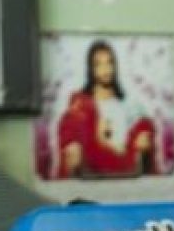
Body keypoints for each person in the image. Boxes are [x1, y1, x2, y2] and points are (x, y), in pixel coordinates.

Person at [56, 40, 156, 179]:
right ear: (91, 69)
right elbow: (71, 133)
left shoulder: (128, 105)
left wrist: (143, 138)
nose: (105, 69)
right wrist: (74, 146)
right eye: (98, 64)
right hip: (92, 177)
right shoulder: (82, 105)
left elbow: (140, 141)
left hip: (125, 175)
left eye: (109, 62)